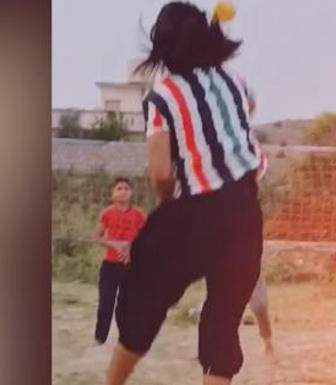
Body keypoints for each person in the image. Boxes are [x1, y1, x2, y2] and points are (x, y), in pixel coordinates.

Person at [103, 2, 266, 385]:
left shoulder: (164, 94)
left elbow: (161, 172)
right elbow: (250, 108)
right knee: (223, 322)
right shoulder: (235, 80)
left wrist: (170, 206)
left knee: (143, 299)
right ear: (208, 37)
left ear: (163, 47)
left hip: (194, 209)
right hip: (244, 210)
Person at [92, 177, 146, 345]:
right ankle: (100, 338)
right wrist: (115, 245)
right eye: (119, 188)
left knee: (128, 303)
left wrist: (132, 249)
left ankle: (127, 339)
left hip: (131, 266)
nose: (123, 191)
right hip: (110, 265)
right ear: (112, 194)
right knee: (106, 301)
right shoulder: (107, 213)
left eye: (126, 188)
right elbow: (97, 237)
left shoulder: (138, 214)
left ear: (131, 193)